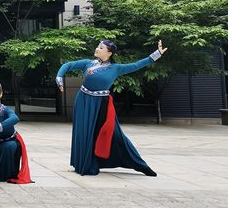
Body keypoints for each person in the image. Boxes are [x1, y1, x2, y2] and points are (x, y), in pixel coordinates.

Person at [56, 40, 167, 177]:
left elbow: (136, 65)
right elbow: (68, 65)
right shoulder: (88, 63)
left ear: (109, 53)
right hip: (83, 101)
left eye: (101, 47)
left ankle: (140, 165)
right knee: (84, 132)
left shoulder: (116, 68)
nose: (97, 49)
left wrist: (156, 54)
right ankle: (85, 164)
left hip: (102, 104)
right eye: (98, 46)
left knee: (115, 133)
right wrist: (59, 76)